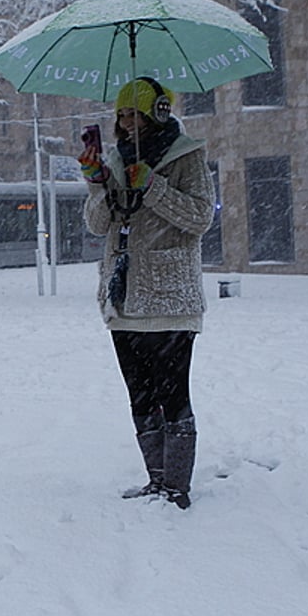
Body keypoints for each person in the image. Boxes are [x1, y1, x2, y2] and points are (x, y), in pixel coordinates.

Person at [78, 77, 214, 509]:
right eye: (121, 115)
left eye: (135, 113)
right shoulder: (117, 160)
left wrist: (154, 186)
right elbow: (98, 225)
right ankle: (155, 479)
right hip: (124, 296)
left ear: (158, 112)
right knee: (139, 393)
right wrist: (98, 181)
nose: (127, 123)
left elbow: (199, 217)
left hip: (170, 298)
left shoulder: (187, 155)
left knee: (172, 394)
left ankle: (177, 486)